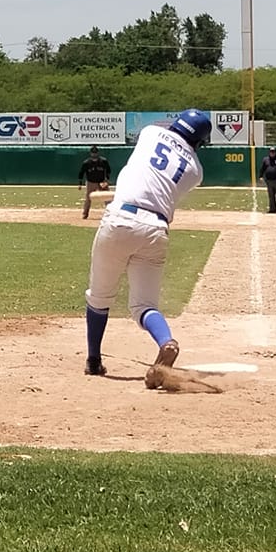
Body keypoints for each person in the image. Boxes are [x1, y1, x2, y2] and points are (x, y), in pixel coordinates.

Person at [84, 108, 211, 389]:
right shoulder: (195, 171)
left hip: (120, 219)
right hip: (156, 228)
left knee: (100, 296)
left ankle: (94, 360)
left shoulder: (151, 132)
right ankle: (166, 341)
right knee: (144, 305)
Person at [77, 146, 112, 219]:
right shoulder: (86, 163)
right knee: (88, 198)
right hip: (91, 182)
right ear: (90, 153)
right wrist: (80, 183)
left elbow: (108, 171)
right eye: (93, 153)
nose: (94, 154)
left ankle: (111, 213)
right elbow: (81, 173)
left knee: (107, 198)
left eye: (95, 153)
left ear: (98, 153)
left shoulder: (103, 161)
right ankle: (85, 214)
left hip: (101, 182)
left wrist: (106, 180)